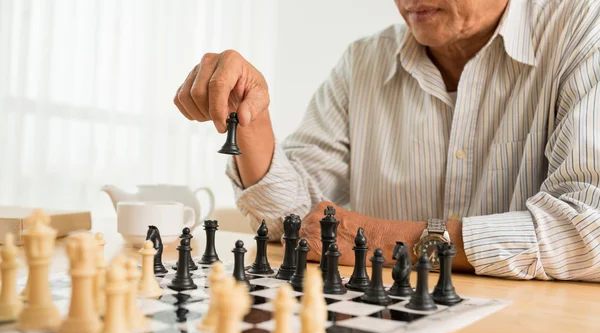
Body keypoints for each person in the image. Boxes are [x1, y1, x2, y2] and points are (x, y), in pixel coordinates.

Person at [173, 0, 600, 282]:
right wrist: (250, 118)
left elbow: (589, 227)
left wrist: (385, 239)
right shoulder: (363, 61)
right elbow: (299, 223)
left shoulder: (584, 30)